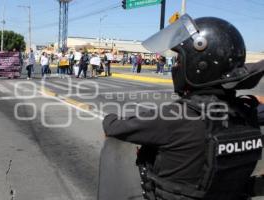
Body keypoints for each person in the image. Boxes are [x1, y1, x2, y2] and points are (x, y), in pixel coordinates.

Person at [103, 14, 264, 200]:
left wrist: (109, 118)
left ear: (200, 65)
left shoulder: (175, 117)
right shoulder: (246, 112)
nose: (177, 66)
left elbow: (113, 125)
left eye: (179, 60)